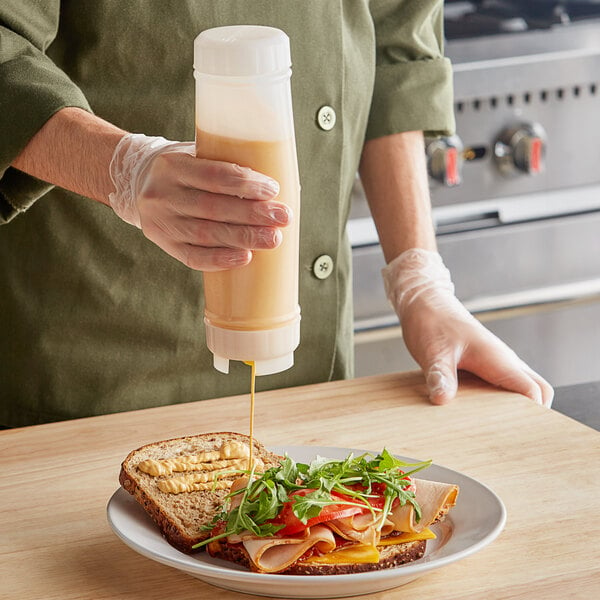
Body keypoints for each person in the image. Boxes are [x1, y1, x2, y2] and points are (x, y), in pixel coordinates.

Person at [0, 1, 553, 427]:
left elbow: (394, 41)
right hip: (99, 362)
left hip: (310, 382)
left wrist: (421, 281)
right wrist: (122, 169)